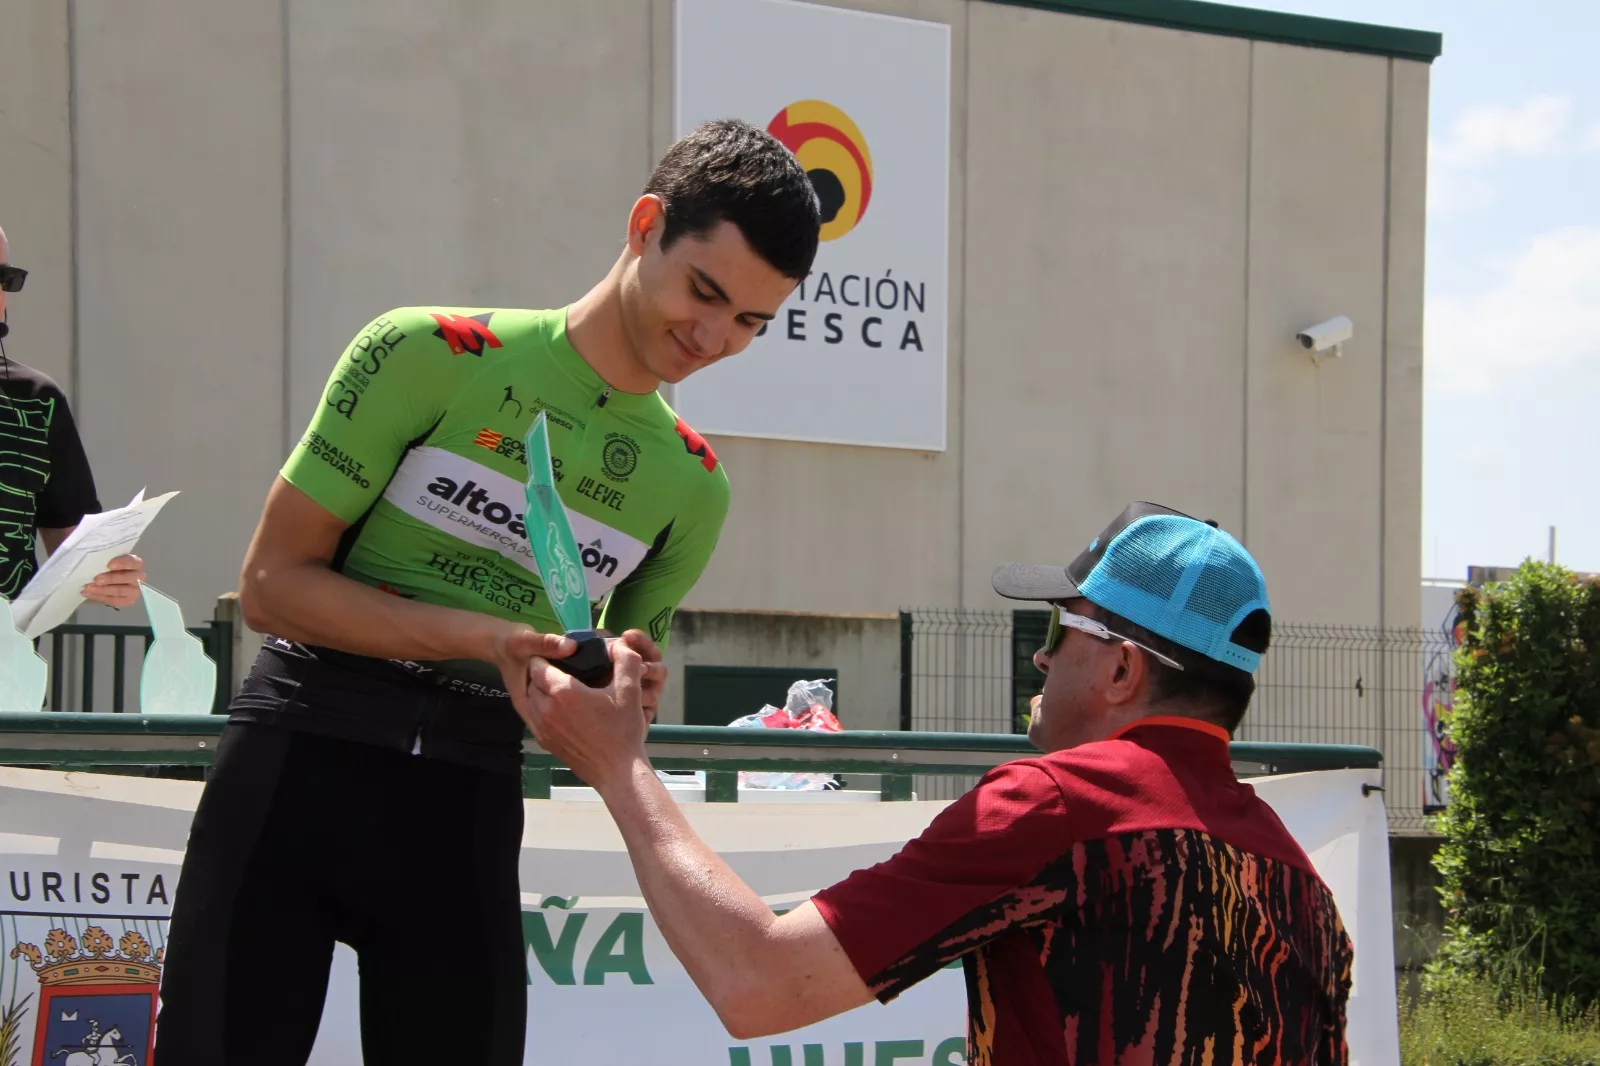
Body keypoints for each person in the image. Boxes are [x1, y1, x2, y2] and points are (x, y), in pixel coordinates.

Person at [154, 119, 821, 1065]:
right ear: (644, 226)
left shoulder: (693, 484)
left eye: (752, 322)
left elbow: (610, 688)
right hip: (297, 760)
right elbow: (269, 588)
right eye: (703, 291)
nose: (713, 337)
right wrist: (483, 636)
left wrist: (622, 683)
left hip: (465, 808)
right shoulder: (429, 352)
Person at [521, 502, 1355, 1064]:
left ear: (1122, 669)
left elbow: (759, 983)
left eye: (1059, 630)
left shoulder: (1059, 804)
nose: (1040, 655)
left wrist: (618, 764)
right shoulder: (1307, 890)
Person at [0, 225, 145, 613]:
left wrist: (111, 577)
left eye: (4, 278)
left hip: (9, 667)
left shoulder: (37, 400)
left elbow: (75, 553)